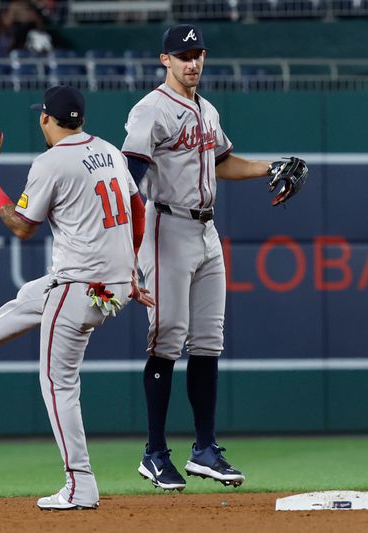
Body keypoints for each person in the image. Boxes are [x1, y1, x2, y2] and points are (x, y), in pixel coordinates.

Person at [0, 85, 154, 510]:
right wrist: (132, 270)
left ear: (45, 119)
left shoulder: (51, 162)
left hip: (78, 290)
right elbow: (138, 209)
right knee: (32, 295)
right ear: (81, 119)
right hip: (112, 288)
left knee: (58, 384)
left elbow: (21, 226)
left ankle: (80, 483)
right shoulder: (109, 151)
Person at [121, 24, 286, 491]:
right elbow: (129, 176)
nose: (191, 62)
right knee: (167, 338)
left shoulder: (207, 110)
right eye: (181, 55)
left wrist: (269, 167)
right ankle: (154, 453)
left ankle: (205, 449)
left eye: (196, 54)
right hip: (165, 225)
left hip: (206, 229)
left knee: (209, 339)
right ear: (164, 60)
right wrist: (125, 245)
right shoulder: (150, 109)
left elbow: (222, 162)